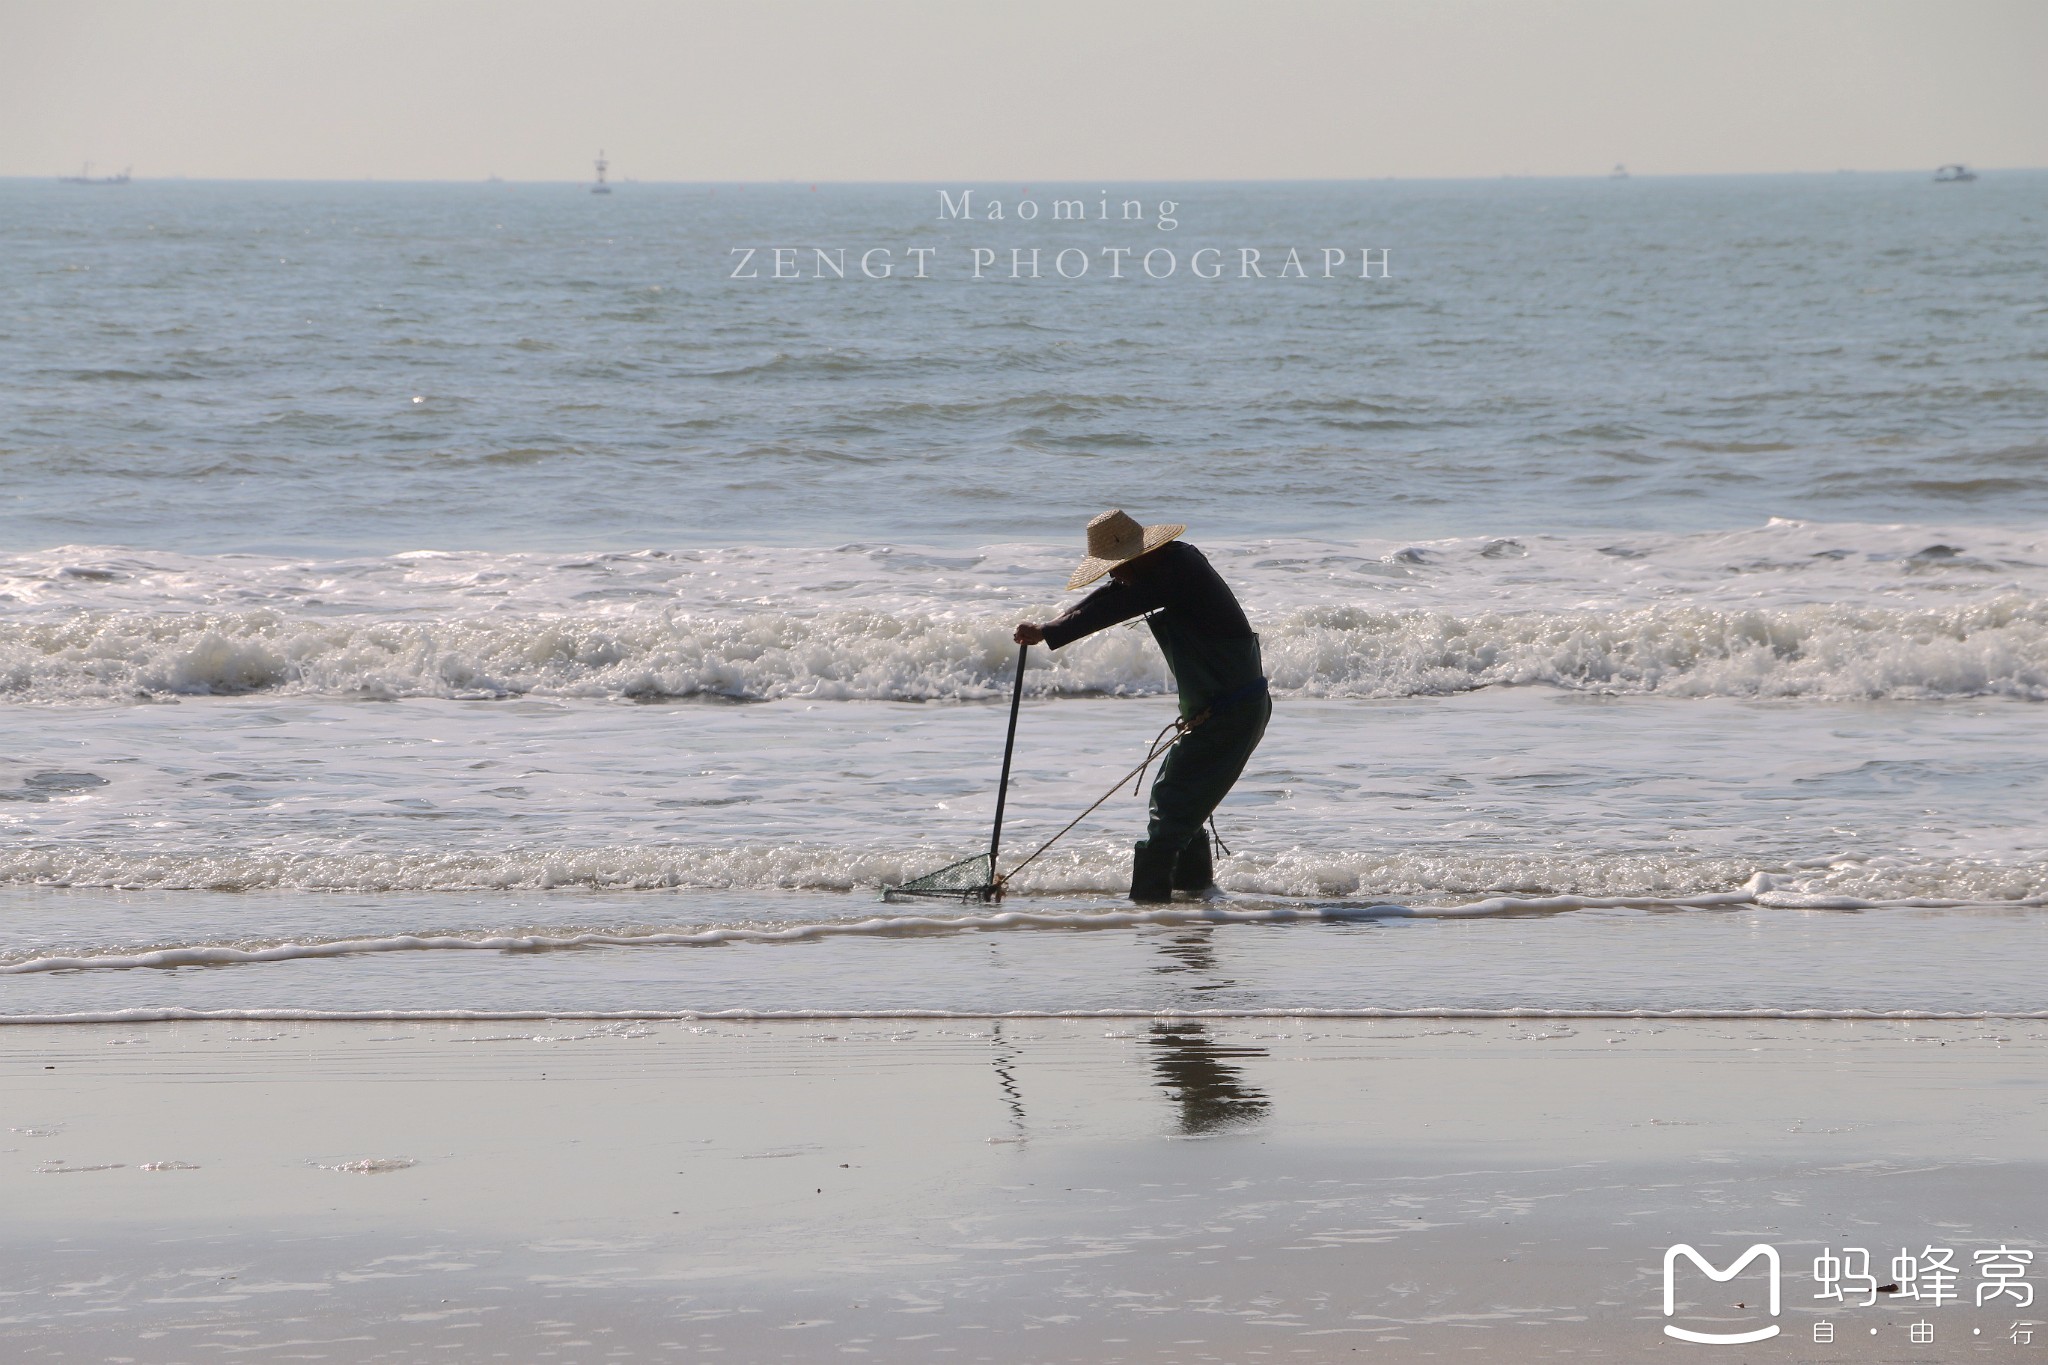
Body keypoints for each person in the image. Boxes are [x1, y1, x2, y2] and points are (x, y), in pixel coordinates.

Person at [1014, 510, 1270, 902]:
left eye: (1118, 568)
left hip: (1231, 711)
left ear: (1142, 554)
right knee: (1180, 802)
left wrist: (1052, 631)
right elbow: (1114, 595)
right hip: (1218, 710)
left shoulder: (1178, 570)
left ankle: (1150, 908)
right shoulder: (1164, 568)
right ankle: (1194, 901)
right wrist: (1052, 625)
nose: (1115, 576)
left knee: (1172, 805)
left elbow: (1120, 603)